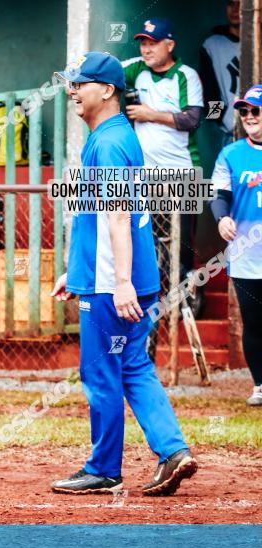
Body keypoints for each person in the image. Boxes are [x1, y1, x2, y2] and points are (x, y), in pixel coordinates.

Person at [50, 52, 197, 496]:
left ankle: (104, 468)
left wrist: (118, 283)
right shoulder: (115, 135)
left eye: (80, 83)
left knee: (102, 373)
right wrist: (74, 271)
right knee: (134, 366)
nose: (72, 91)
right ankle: (172, 452)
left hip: (114, 282)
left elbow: (117, 216)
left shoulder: (109, 141)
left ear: (108, 91)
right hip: (117, 274)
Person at [122, 19, 204, 293]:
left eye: (153, 43)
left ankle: (189, 298)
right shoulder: (136, 68)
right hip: (147, 175)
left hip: (182, 172)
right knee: (150, 238)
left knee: (182, 244)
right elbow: (107, 75)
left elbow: (192, 119)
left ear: (170, 45)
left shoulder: (186, 75)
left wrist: (150, 115)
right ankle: (159, 300)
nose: (146, 49)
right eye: (143, 43)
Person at [210, 85, 262, 406]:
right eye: (244, 112)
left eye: (255, 110)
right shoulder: (230, 154)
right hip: (247, 257)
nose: (248, 117)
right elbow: (220, 196)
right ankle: (260, 385)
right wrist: (221, 219)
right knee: (255, 322)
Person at [200, 0, 241, 142]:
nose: (235, 9)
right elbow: (209, 90)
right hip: (233, 133)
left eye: (241, 3)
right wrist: (221, 118)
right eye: (231, 3)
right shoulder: (212, 44)